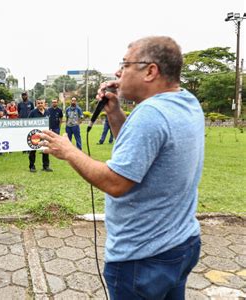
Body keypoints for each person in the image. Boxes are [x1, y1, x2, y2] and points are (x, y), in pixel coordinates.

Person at [40, 36, 203, 299]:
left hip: (143, 258)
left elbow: (116, 183)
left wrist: (69, 151)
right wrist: (114, 112)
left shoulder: (151, 114)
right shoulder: (186, 101)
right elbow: (141, 153)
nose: (118, 73)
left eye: (125, 65)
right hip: (181, 243)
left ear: (150, 71)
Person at [28, 99, 52, 172]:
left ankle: (46, 166)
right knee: (33, 150)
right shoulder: (32, 113)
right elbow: (28, 122)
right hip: (35, 134)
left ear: (44, 104)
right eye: (38, 103)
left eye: (41, 103)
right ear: (36, 104)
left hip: (45, 134)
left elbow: (49, 122)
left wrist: (50, 129)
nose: (40, 104)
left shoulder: (47, 112)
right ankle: (32, 166)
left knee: (45, 150)